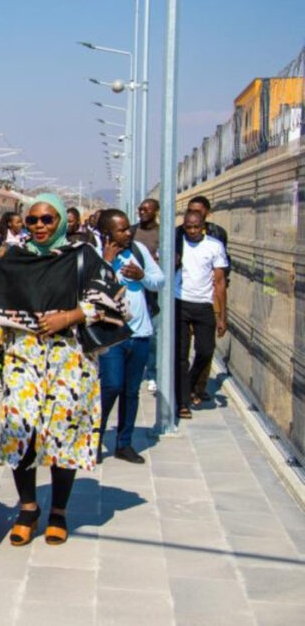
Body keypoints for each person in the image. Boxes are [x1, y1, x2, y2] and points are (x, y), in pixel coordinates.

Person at [0, 193, 105, 546]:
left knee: (63, 432)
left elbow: (113, 299)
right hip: (23, 358)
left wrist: (69, 316)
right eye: (33, 220)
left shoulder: (82, 257)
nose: (39, 226)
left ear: (62, 222)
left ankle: (59, 512)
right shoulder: (14, 259)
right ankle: (28, 508)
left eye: (47, 219)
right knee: (21, 428)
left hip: (69, 359)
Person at [96, 209, 164, 464]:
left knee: (131, 391)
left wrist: (143, 276)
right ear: (107, 233)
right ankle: (94, 438)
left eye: (127, 228)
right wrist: (106, 261)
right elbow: (89, 288)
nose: (128, 233)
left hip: (140, 333)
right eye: (122, 229)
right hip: (111, 335)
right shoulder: (94, 254)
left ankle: (124, 443)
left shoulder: (138, 251)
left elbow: (160, 280)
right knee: (111, 385)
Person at [175, 209, 228, 418]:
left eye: (196, 227)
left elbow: (220, 282)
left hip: (204, 304)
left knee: (206, 350)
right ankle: (182, 402)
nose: (193, 231)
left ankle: (189, 383)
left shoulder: (214, 246)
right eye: (188, 227)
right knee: (180, 355)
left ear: (203, 225)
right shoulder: (177, 243)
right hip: (180, 301)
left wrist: (222, 315)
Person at [131, 198, 161, 393]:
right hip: (134, 288)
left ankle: (151, 373)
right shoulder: (132, 232)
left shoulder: (162, 233)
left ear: (156, 211)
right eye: (140, 209)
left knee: (154, 333)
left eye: (147, 209)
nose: (142, 212)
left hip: (154, 288)